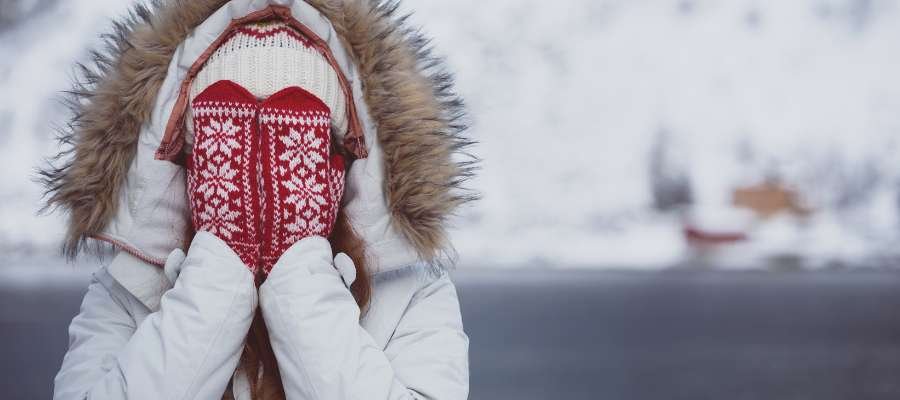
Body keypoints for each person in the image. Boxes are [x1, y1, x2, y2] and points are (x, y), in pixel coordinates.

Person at [43, 1, 476, 399]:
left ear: (340, 163)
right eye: (233, 140)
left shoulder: (413, 294)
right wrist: (221, 265)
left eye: (294, 144)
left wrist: (297, 269)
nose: (262, 167)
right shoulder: (126, 292)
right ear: (190, 160)